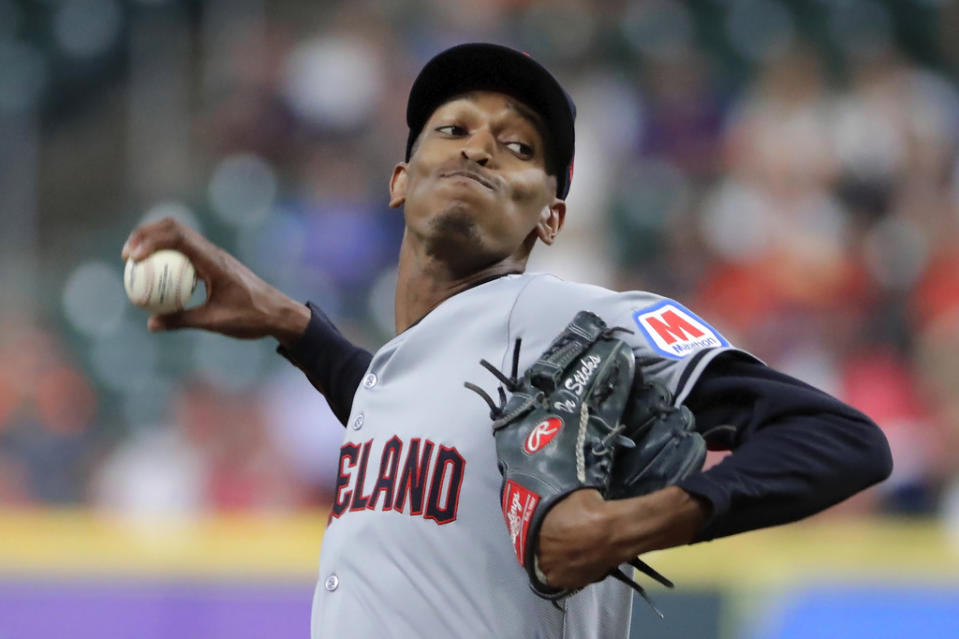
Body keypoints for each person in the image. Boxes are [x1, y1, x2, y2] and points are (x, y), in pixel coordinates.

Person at [122, 43, 893, 639]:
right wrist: (293, 325)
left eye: (519, 147)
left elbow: (840, 437)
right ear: (399, 179)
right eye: (453, 128)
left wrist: (634, 523)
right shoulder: (402, 370)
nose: (480, 147)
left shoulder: (579, 319)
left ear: (549, 217)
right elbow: (414, 407)